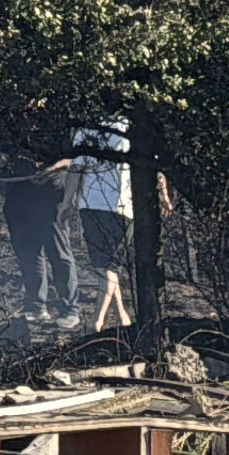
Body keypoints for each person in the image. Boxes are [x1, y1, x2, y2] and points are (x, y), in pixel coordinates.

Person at [0, 149, 81, 327]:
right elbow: (4, 152)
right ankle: (36, 307)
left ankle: (70, 310)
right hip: (18, 192)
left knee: (58, 253)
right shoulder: (12, 131)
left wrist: (52, 169)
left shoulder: (63, 132)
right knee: (28, 253)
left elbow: (75, 159)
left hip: (52, 193)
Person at [68, 117, 132, 330]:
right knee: (107, 266)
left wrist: (67, 202)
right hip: (120, 206)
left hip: (95, 204)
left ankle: (97, 320)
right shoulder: (133, 129)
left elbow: (76, 170)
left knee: (105, 267)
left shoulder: (87, 130)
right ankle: (122, 317)